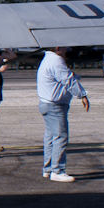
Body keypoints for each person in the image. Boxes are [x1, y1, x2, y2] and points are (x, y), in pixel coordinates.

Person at [36, 47, 89, 182]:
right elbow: (68, 80)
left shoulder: (48, 59)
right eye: (65, 47)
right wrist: (82, 94)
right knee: (60, 136)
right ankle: (58, 170)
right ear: (58, 48)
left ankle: (48, 168)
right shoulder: (56, 61)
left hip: (46, 103)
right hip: (55, 106)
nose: (67, 50)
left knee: (50, 136)